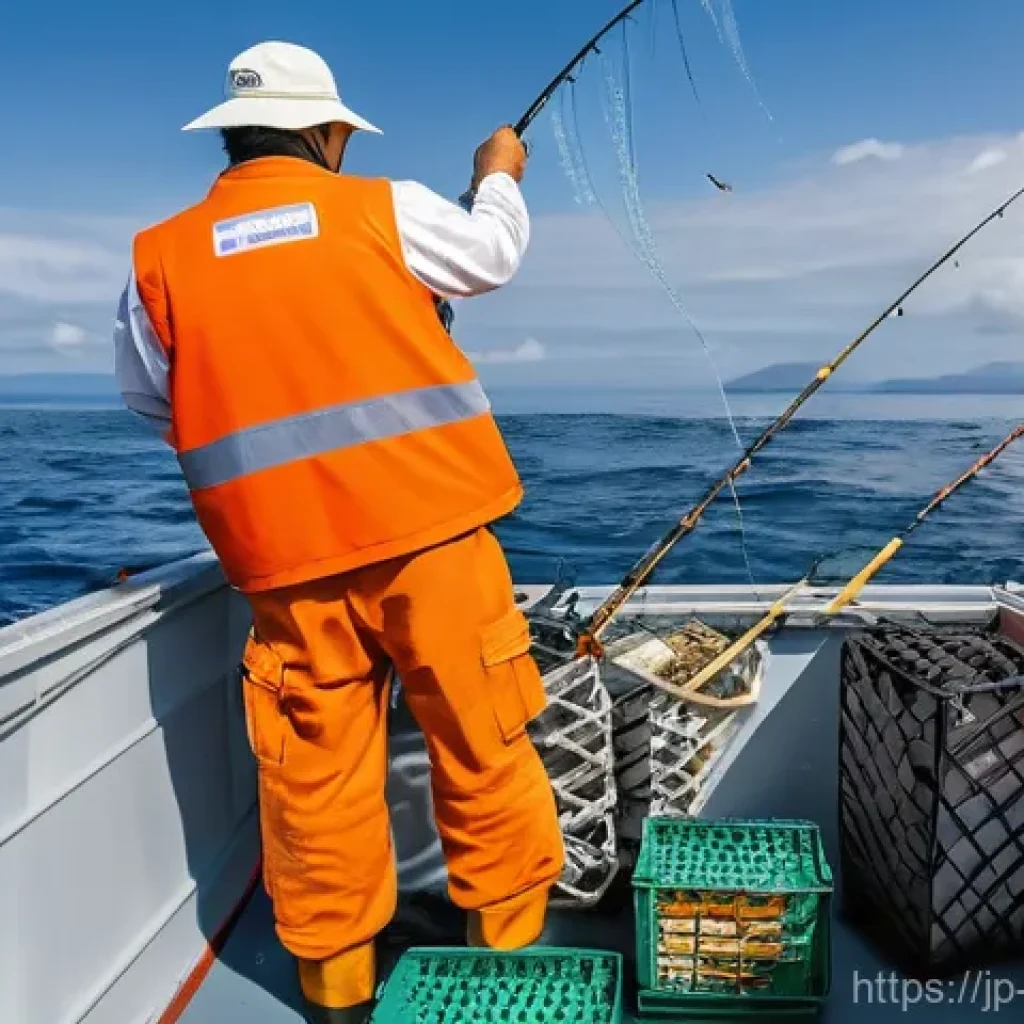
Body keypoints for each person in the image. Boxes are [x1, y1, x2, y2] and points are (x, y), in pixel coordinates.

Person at [112, 40, 564, 1024]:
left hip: (284, 567)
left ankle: (337, 992)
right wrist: (498, 175)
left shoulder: (159, 258)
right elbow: (491, 256)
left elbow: (158, 402)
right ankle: (507, 966)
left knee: (313, 774)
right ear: (327, 132)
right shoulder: (382, 208)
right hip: (433, 542)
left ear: (228, 139)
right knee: (483, 742)